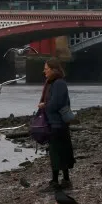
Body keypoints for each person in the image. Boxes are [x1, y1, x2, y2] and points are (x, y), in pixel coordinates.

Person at [38, 57, 75, 189]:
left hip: (57, 124)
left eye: (46, 69)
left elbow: (56, 103)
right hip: (56, 123)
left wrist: (44, 105)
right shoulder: (54, 83)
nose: (44, 71)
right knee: (62, 152)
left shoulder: (58, 83)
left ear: (53, 69)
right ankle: (65, 181)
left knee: (56, 153)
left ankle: (55, 182)